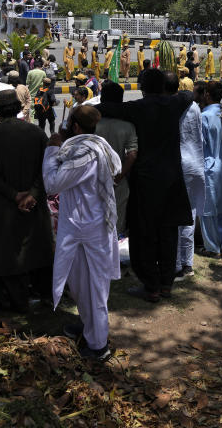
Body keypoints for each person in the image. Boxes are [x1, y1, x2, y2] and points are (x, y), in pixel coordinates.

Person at [96, 68, 195, 303]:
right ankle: (166, 284)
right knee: (168, 232)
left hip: (146, 181)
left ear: (142, 87)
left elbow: (105, 108)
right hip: (172, 178)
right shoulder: (175, 104)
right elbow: (189, 95)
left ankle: (151, 285)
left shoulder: (136, 108)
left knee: (144, 234)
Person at [43, 105, 121, 361]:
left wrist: (52, 149)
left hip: (87, 230)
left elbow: (52, 183)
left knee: (94, 288)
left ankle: (98, 345)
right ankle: (89, 327)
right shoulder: (97, 144)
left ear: (75, 127)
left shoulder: (84, 152)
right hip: (84, 227)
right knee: (79, 285)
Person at [0, 89, 53, 312]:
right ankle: (47, 296)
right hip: (33, 203)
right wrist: (32, 194)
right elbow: (47, 169)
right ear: (20, 107)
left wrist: (14, 195)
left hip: (4, 205)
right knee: (38, 248)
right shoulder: (36, 133)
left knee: (7, 252)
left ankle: (19, 301)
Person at [198, 81, 222, 258]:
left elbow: (200, 144)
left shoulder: (204, 117)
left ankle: (212, 247)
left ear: (206, 95)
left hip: (209, 166)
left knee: (208, 210)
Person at [93, 82, 138, 236]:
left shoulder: (91, 124)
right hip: (119, 182)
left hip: (93, 180)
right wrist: (119, 177)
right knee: (115, 228)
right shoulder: (128, 126)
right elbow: (132, 155)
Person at [172, 74, 205, 280]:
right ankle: (188, 264)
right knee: (190, 216)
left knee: (176, 218)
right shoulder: (196, 109)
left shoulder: (175, 108)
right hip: (195, 166)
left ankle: (176, 264)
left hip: (180, 167)